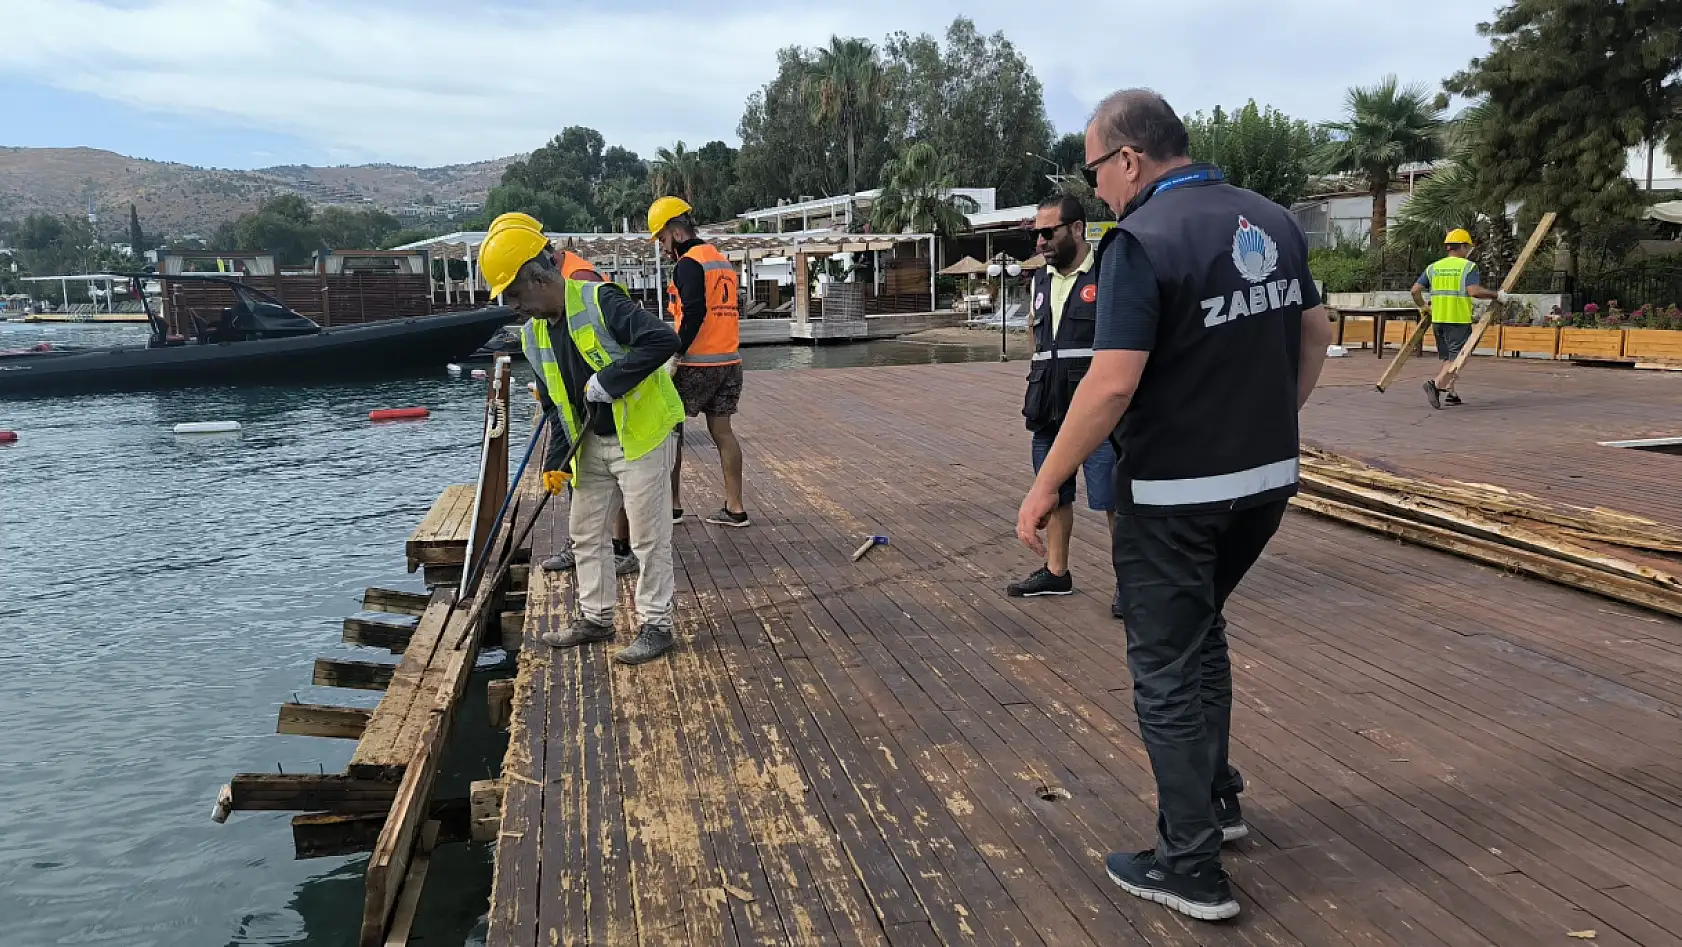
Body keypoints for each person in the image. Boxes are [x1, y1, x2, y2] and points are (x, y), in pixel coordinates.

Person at [1016, 89, 1332, 922]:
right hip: (1263, 486)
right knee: (1204, 635)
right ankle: (1218, 800)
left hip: (1172, 496)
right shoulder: (1273, 218)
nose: (1099, 190)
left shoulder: (1141, 242)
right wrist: (1274, 421)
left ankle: (1191, 864)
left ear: (1130, 159)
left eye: (1097, 170)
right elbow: (1317, 333)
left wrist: (1049, 479)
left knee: (1161, 668)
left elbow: (1112, 381)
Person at [480, 213, 686, 666]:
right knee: (585, 532)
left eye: (515, 294)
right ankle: (596, 617)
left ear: (538, 278)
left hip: (641, 435)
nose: (513, 306)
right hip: (589, 443)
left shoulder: (599, 301)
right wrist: (555, 463)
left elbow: (661, 340)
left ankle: (657, 625)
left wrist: (610, 380)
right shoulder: (534, 335)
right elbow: (555, 405)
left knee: (649, 538)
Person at [1008, 195, 1122, 619]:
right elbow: (1036, 337)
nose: (1040, 242)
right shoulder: (1041, 280)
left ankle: (1129, 584)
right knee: (1053, 490)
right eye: (1037, 233)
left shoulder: (1108, 275)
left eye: (1048, 232)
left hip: (1093, 407)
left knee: (1112, 496)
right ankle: (1056, 571)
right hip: (1048, 402)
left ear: (1077, 229)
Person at [647, 196, 750, 528]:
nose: (663, 248)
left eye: (662, 239)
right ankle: (735, 508)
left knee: (671, 432)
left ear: (676, 233)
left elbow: (693, 313)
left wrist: (676, 354)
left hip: (695, 364)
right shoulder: (720, 261)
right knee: (723, 432)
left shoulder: (688, 263)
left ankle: (673, 508)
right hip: (729, 362)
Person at [1412, 229, 1507, 409]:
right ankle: (1436, 384)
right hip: (1458, 321)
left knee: (1448, 358)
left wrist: (1423, 307)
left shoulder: (1433, 267)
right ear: (1463, 246)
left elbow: (1414, 291)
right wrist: (1497, 295)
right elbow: (1474, 291)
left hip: (1438, 320)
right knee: (1457, 360)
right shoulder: (1468, 267)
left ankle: (1451, 393)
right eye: (1468, 247)